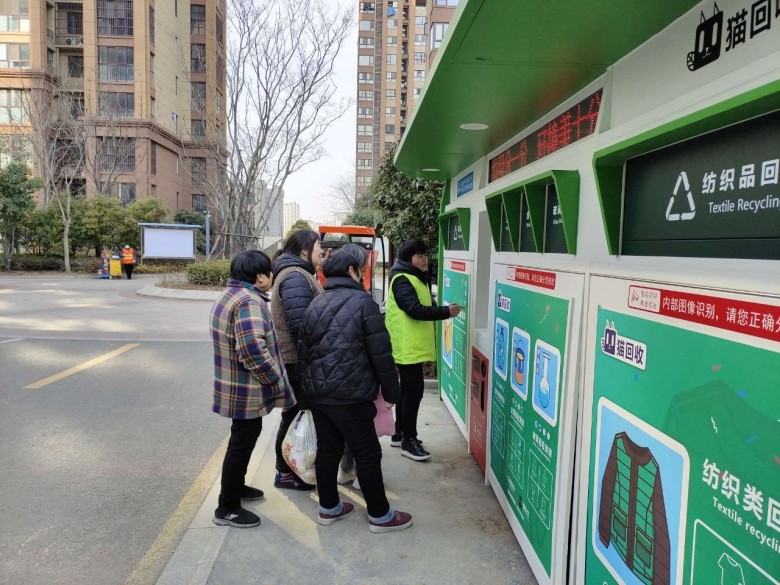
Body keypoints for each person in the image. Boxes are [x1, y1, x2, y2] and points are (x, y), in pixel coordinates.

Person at [298, 244, 413, 533]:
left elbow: (303, 353)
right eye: (361, 270)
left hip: (319, 395)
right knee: (367, 453)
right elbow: (380, 354)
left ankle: (329, 508)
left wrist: (304, 395)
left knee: (328, 450)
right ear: (351, 271)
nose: (363, 274)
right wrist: (392, 393)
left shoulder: (315, 303)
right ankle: (380, 515)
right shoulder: (364, 303)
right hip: (352, 394)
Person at [210, 250, 296, 528]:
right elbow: (252, 351)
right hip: (245, 389)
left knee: (243, 439)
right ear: (260, 277)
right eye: (270, 272)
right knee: (241, 443)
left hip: (234, 386)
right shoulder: (249, 301)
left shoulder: (230, 295)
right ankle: (227, 507)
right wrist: (275, 378)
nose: (272, 276)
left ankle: (236, 488)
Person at [385, 239, 461, 462]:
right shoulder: (402, 279)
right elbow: (414, 309)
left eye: (424, 254)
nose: (424, 259)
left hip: (410, 346)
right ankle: (409, 441)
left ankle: (399, 433)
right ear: (408, 259)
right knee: (413, 393)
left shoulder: (414, 277)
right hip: (407, 347)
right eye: (419, 255)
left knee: (406, 391)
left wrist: (440, 307)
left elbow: (420, 304)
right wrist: (446, 312)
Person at [270, 229, 323, 490]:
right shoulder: (295, 276)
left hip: (296, 358)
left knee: (294, 414)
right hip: (297, 360)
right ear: (304, 250)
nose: (321, 252)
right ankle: (285, 470)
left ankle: (291, 468)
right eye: (318, 246)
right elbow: (301, 326)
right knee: (295, 415)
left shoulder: (297, 273)